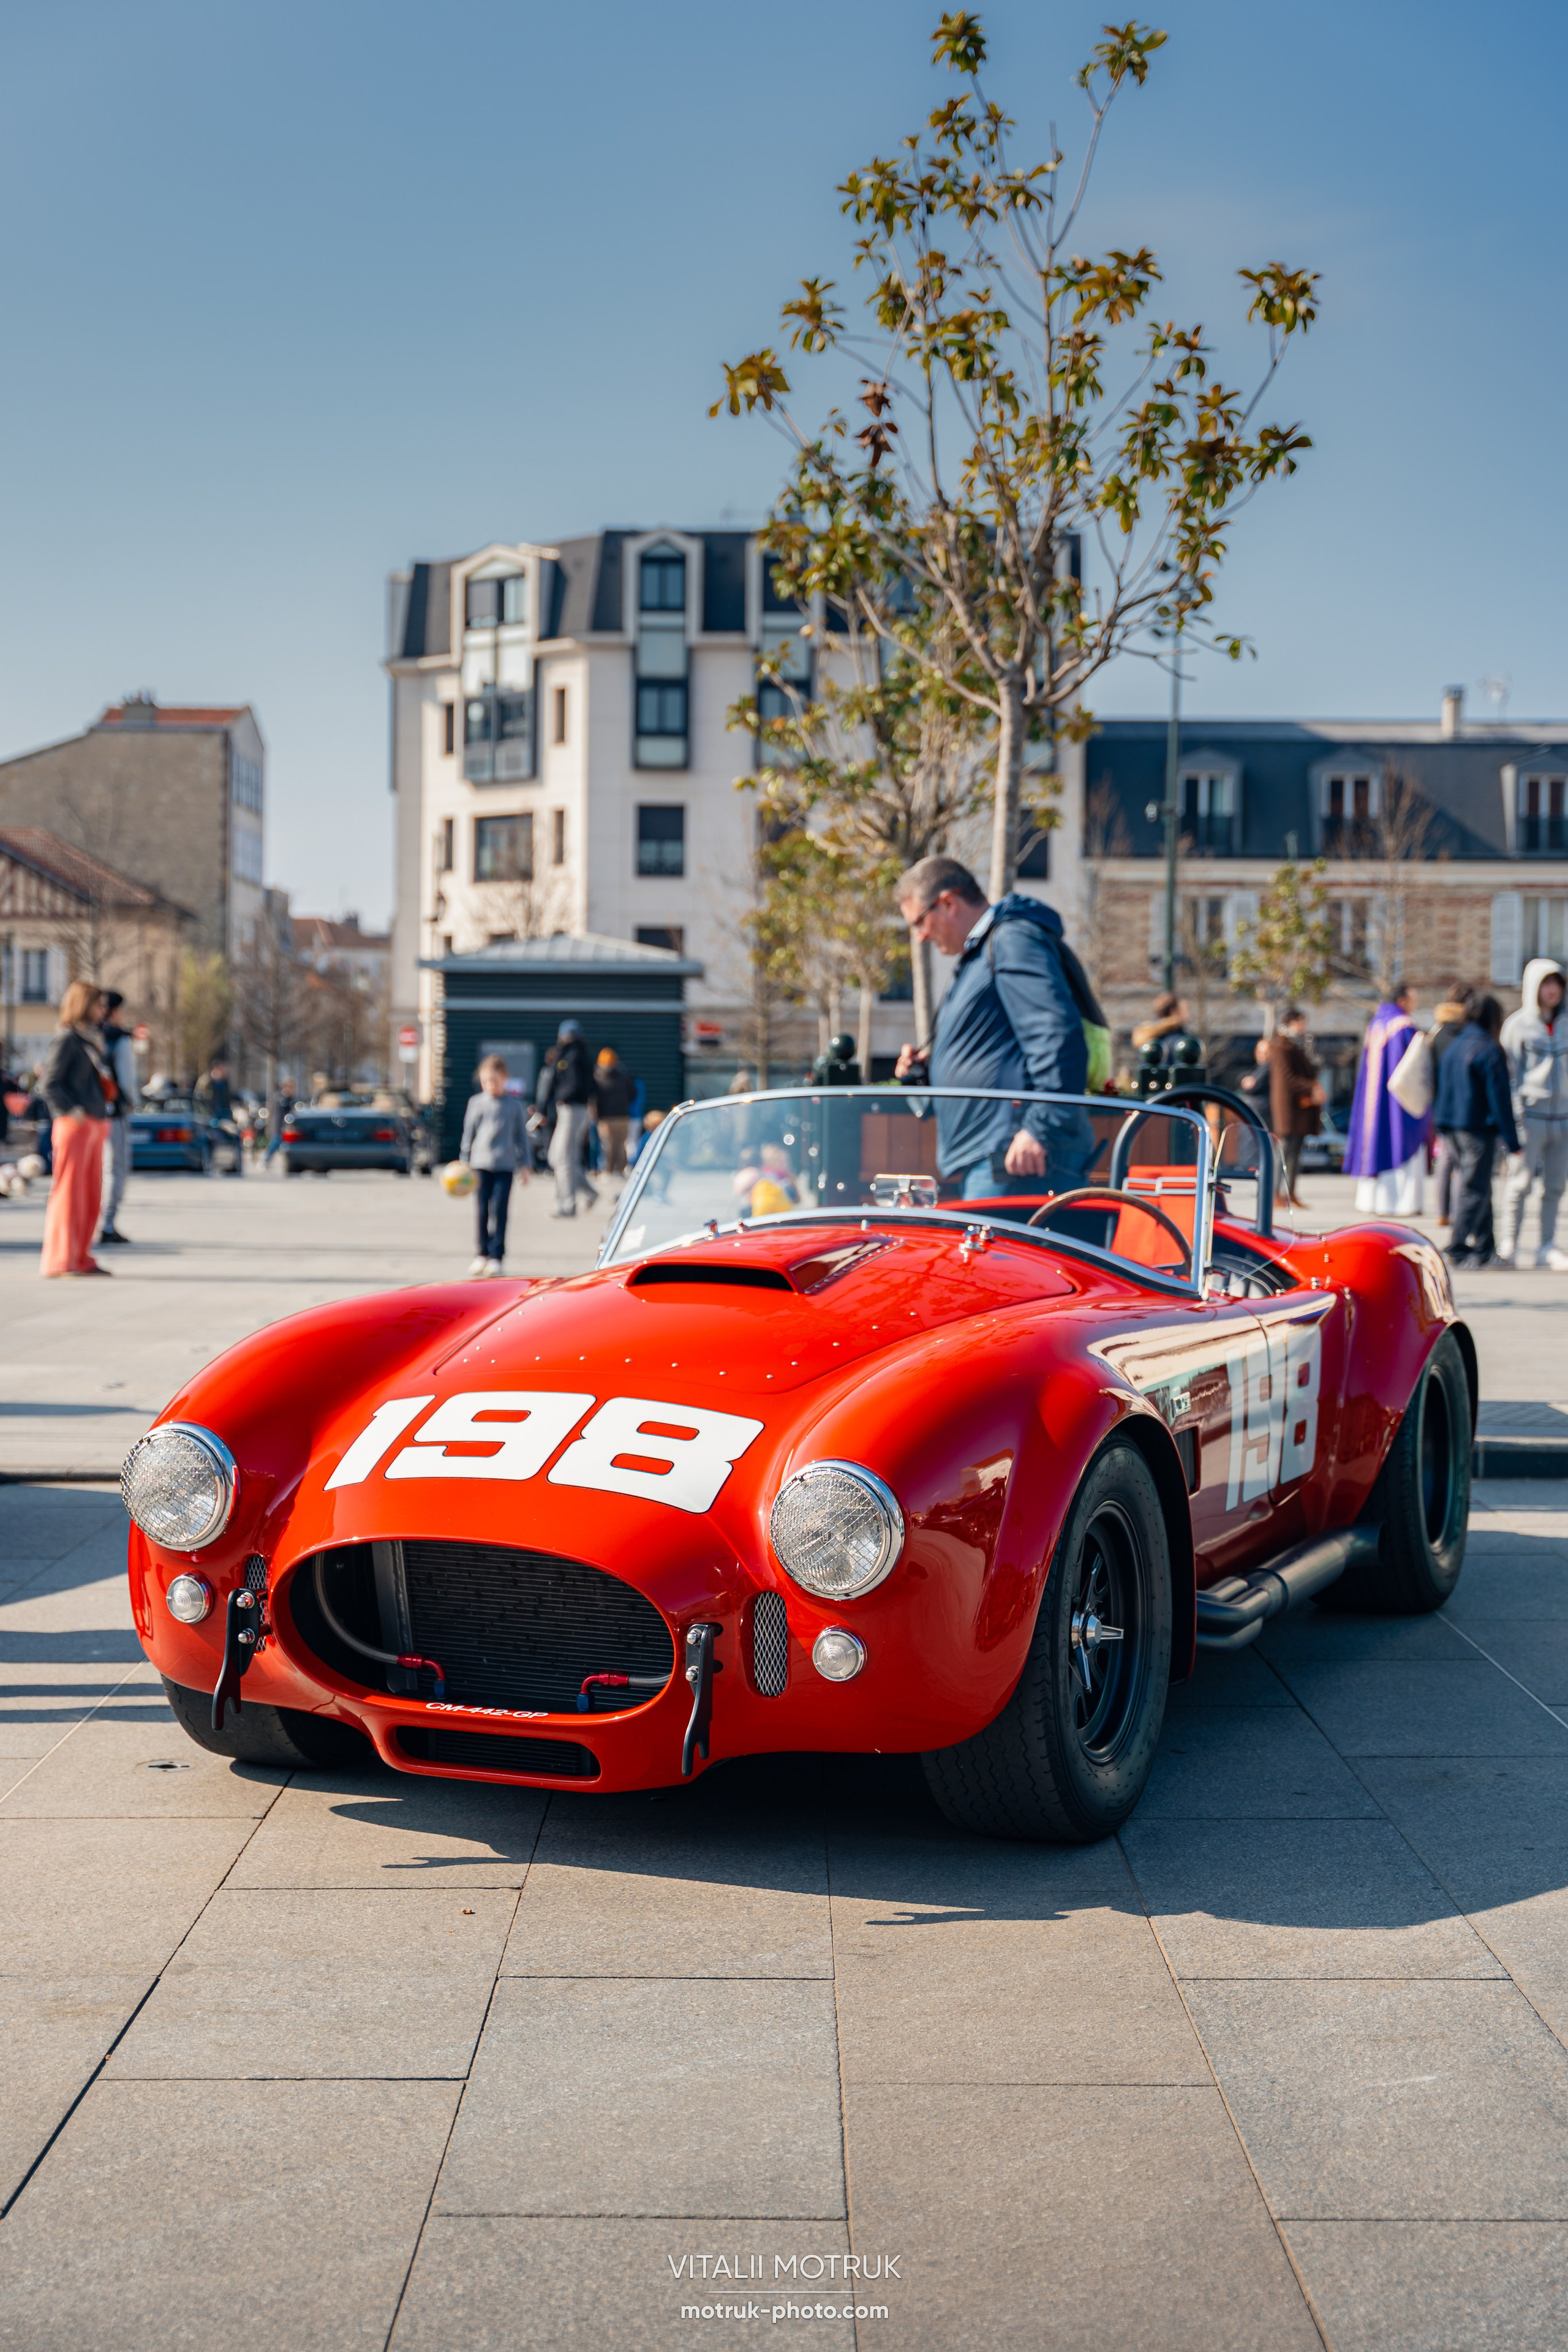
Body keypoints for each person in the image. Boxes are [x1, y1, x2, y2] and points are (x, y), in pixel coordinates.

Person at [894, 856, 1096, 1199]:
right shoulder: (985, 949)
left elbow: (1057, 1036)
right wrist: (926, 1070)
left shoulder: (1011, 939)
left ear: (948, 903)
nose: (921, 937)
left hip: (1020, 1158)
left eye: (919, 922)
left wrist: (1040, 1129)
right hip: (1000, 1155)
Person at [1433, 993, 1518, 1267]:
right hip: (1476, 1128)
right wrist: (1513, 1140)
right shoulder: (1489, 1048)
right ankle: (1457, 1247)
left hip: (1451, 1126)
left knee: (1479, 1187)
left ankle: (1484, 1249)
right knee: (1474, 1189)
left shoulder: (1455, 1045)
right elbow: (1500, 1099)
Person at [39, 980, 112, 1278]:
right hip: (75, 1125)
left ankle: (81, 1256)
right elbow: (49, 1084)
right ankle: (62, 1260)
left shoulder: (89, 1040)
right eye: (98, 1004)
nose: (103, 1010)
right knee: (70, 1194)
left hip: (94, 1124)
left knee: (91, 1195)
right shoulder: (67, 1040)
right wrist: (72, 1111)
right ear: (84, 1004)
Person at [1499, 959, 1568, 1269]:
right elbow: (1510, 1074)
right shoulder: (1517, 1026)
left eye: (1558, 984)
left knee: (1555, 1187)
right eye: (1547, 983)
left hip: (1563, 1118)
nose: (1553, 990)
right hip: (1530, 1118)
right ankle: (1510, 1244)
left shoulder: (1566, 1023)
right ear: (1534, 987)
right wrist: (1517, 1119)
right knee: (1520, 1184)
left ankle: (1546, 1246)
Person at [1343, 981, 1428, 1216]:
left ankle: (1372, 1202)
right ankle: (1403, 1204)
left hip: (1375, 1101)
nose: (1415, 1004)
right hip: (1397, 1103)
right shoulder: (1403, 1026)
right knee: (1398, 1138)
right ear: (1402, 1001)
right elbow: (1414, 1069)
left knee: (1376, 1140)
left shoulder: (1376, 1024)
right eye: (1412, 999)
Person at [459, 1054, 531, 1275]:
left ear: (505, 1079)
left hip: (505, 1166)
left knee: (500, 1211)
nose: (491, 1086)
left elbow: (522, 1137)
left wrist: (526, 1165)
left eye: (495, 1081)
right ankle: (481, 1253)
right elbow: (469, 1133)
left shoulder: (514, 1105)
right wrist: (464, 1160)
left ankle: (496, 1256)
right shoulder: (476, 1103)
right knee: (482, 1210)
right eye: (486, 1081)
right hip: (480, 1165)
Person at [1427, 982, 1475, 1229]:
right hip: (1463, 1103)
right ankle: (1458, 1212)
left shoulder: (1437, 1031)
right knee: (1463, 1161)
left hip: (1440, 1103)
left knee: (1446, 1159)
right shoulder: (1464, 1032)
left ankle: (1443, 1212)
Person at [1268, 1006, 1324, 1208]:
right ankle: (1275, 1194)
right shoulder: (1281, 1047)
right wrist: (1312, 1088)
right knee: (1284, 1150)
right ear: (1289, 1024)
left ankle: (1290, 1193)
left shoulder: (1298, 1045)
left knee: (1295, 1151)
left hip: (1300, 1108)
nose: (1303, 1026)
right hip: (1288, 1107)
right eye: (1299, 1022)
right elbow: (1287, 1079)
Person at [96, 989, 139, 1245]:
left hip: (93, 1113)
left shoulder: (92, 1037)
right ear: (113, 1012)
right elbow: (127, 1080)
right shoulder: (120, 1041)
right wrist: (131, 1102)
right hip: (114, 1113)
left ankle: (97, 1223)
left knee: (100, 1170)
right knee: (117, 1168)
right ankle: (107, 1224)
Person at [543, 1019, 597, 1218]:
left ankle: (567, 1205)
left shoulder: (574, 1056)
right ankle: (589, 1192)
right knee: (555, 1157)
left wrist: (562, 1096)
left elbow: (576, 1085)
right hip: (569, 1110)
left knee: (564, 1159)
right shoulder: (570, 1055)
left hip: (573, 1109)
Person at [592, 1047, 636, 1183]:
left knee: (609, 1145)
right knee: (618, 1144)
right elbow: (633, 1092)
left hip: (608, 1116)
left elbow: (594, 1097)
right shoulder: (623, 1075)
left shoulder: (598, 1076)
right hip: (621, 1115)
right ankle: (618, 1170)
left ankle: (609, 1171)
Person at [195, 1055, 244, 1177]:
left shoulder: (225, 1083)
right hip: (210, 1118)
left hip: (225, 1117)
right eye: (224, 1067)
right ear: (217, 1068)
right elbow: (199, 1101)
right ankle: (208, 1164)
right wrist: (207, 1117)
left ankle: (234, 1164)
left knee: (235, 1136)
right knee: (208, 1139)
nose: (226, 1070)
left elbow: (228, 1101)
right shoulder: (206, 1082)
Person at [1131, 993, 1202, 1073]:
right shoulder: (1181, 1041)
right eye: (1185, 1010)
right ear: (1174, 1011)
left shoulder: (1147, 1039)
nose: (1188, 1014)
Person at [265, 1077, 296, 1167]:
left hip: (282, 1126)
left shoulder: (289, 1099)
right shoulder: (283, 1099)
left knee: (280, 1143)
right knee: (275, 1142)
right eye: (290, 1087)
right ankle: (266, 1159)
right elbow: (283, 1115)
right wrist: (287, 1125)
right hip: (279, 1126)